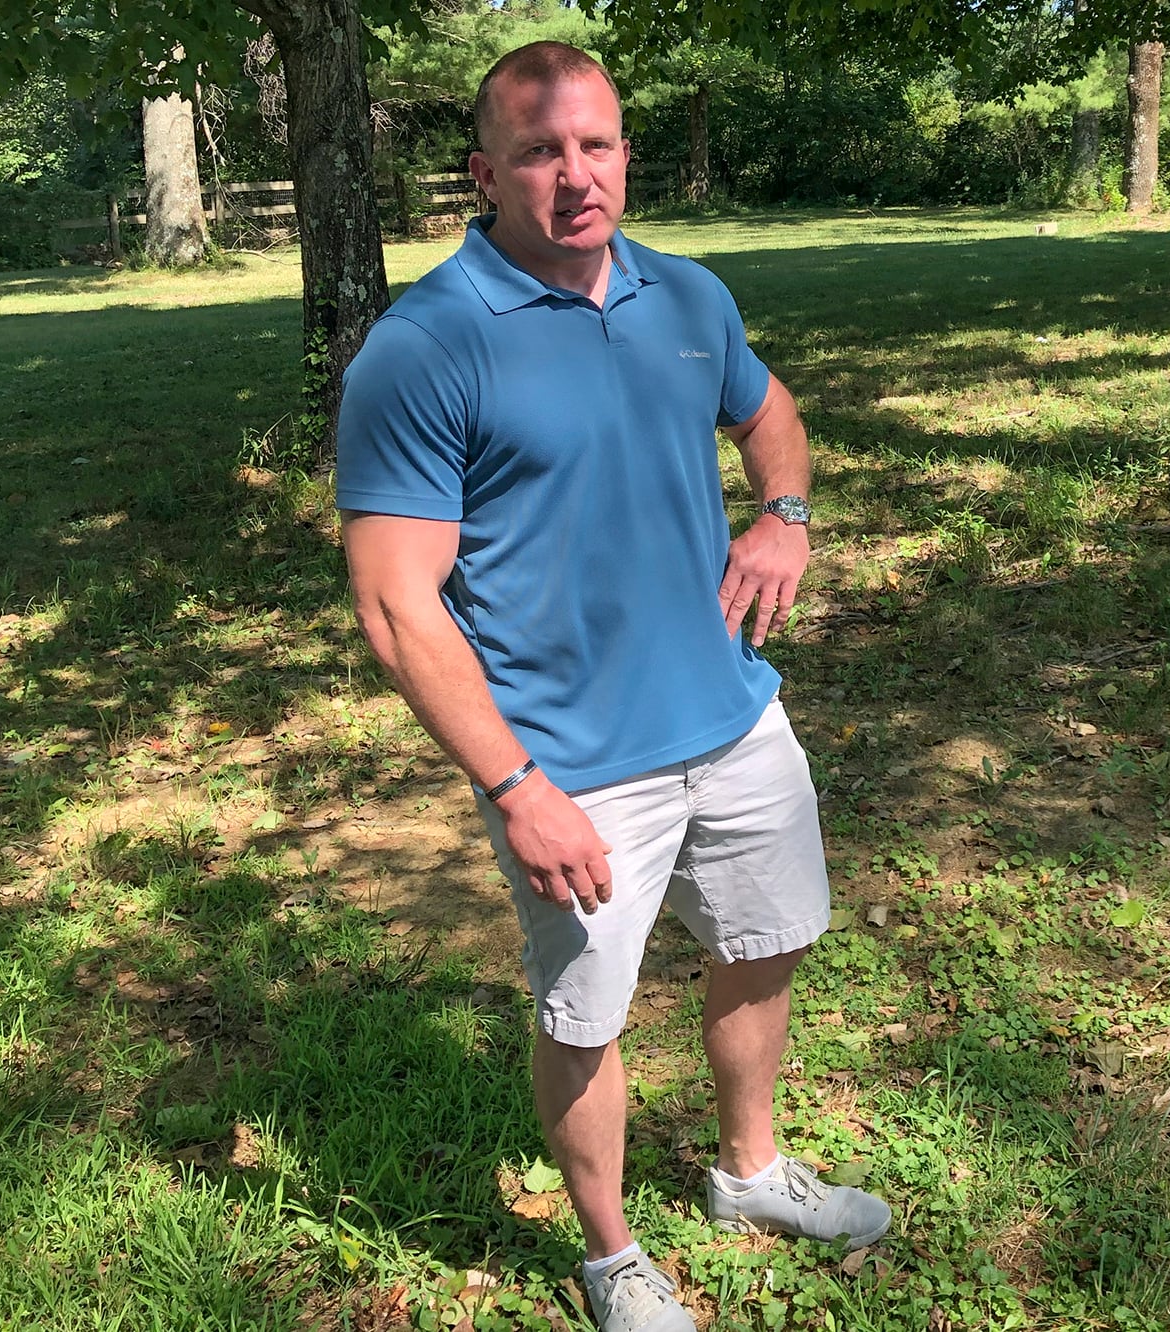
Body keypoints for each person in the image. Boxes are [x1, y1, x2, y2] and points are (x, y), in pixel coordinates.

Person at [333, 40, 890, 1332]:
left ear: (626, 155)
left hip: (735, 712)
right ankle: (611, 1253)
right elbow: (395, 604)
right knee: (587, 1016)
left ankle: (750, 1171)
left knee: (769, 942)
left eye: (596, 144)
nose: (573, 176)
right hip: (573, 762)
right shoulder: (425, 348)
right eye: (538, 151)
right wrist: (517, 787)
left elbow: (769, 413)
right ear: (486, 172)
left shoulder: (687, 299)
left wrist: (785, 516)